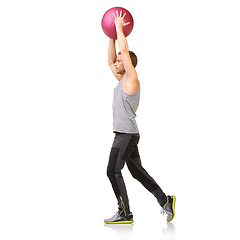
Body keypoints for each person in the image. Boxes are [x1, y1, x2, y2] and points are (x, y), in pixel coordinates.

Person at [104, 10, 176, 224]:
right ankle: (165, 200)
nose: (116, 63)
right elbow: (110, 60)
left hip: (125, 135)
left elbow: (124, 52)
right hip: (129, 134)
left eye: (120, 61)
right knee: (137, 172)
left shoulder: (131, 79)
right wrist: (110, 36)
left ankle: (124, 212)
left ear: (127, 65)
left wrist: (118, 27)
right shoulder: (121, 80)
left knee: (112, 171)